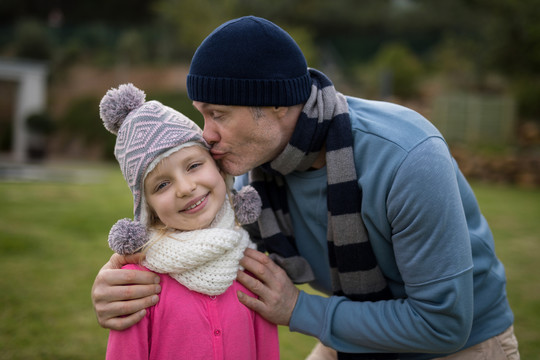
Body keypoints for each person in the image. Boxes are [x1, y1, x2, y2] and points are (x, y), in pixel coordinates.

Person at [92, 16, 520, 360]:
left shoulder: (407, 159)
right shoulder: (253, 173)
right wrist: (118, 278)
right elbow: (204, 244)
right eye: (202, 116)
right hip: (353, 331)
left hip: (462, 346)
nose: (208, 136)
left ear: (277, 103)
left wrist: (299, 309)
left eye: (218, 114)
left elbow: (443, 324)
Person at [98, 83, 279, 360]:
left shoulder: (251, 267)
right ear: (149, 210)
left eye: (194, 166)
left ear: (219, 169)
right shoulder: (138, 284)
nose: (184, 188)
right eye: (162, 185)